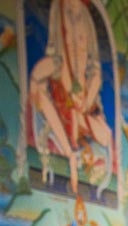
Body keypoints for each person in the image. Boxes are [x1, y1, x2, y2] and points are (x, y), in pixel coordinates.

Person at [29, 0, 112, 196]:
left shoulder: (85, 19)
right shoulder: (59, 12)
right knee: (39, 89)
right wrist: (35, 79)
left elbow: (96, 73)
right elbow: (50, 62)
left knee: (106, 135)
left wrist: (86, 101)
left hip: (84, 106)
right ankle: (70, 153)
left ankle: (73, 147)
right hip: (63, 103)